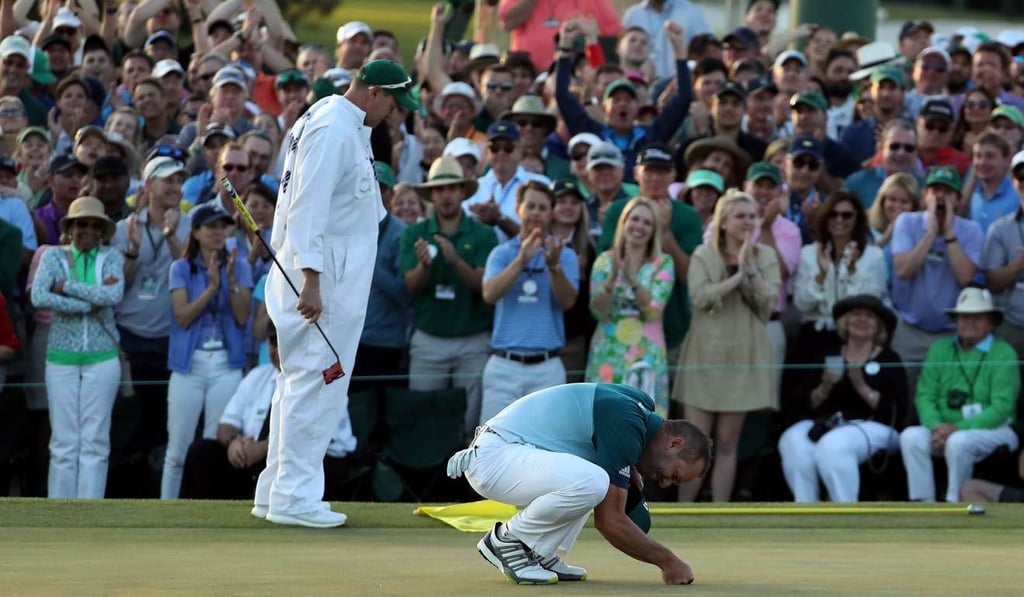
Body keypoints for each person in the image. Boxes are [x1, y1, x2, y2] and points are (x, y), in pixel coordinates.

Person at [253, 60, 419, 529]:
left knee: (297, 386)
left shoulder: (337, 119)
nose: (393, 112)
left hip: (327, 275)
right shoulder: (333, 128)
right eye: (391, 102)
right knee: (315, 385)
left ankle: (277, 490)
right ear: (371, 93)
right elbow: (308, 206)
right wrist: (311, 279)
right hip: (322, 280)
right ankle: (294, 497)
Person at [446, 382, 711, 585]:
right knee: (596, 480)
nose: (665, 484)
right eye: (673, 475)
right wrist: (670, 563)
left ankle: (538, 551)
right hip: (496, 459)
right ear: (674, 443)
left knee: (598, 476)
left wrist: (627, 464)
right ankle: (508, 541)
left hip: (512, 455)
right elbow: (610, 521)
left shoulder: (640, 407)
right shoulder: (628, 423)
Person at [675, 191, 780, 502]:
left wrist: (749, 268)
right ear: (723, 223)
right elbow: (701, 297)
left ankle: (718, 510)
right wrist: (736, 278)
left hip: (743, 356)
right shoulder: (703, 255)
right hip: (705, 355)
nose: (747, 222)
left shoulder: (766, 257)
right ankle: (685, 510)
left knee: (727, 443)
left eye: (752, 216)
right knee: (694, 443)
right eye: (740, 216)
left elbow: (767, 303)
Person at [30, 197, 125, 498]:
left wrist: (68, 287)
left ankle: (90, 511)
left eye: (94, 225)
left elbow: (114, 295)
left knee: (95, 439)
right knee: (63, 440)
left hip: (102, 357)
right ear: (70, 228)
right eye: (81, 223)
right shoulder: (53, 257)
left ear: (103, 231)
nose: (87, 230)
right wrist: (89, 302)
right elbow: (39, 296)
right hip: (61, 357)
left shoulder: (111, 257)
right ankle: (61, 513)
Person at [777, 295, 908, 502]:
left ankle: (844, 512)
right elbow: (804, 404)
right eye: (855, 315)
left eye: (869, 316)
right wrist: (825, 386)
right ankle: (806, 510)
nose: (861, 320)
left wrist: (861, 385)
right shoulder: (828, 354)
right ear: (844, 323)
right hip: (828, 422)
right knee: (792, 439)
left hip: (874, 425)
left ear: (879, 327)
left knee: (834, 445)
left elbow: (896, 410)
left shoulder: (889, 359)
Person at [162, 203, 253, 500]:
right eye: (211, 226)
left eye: (222, 226)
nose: (218, 232)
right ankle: (168, 513)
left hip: (226, 364)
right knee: (178, 447)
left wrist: (230, 283)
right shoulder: (181, 268)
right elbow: (183, 316)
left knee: (213, 443)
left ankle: (205, 511)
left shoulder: (239, 265)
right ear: (196, 232)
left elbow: (242, 318)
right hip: (190, 364)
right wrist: (212, 289)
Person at [899, 287, 1020, 502]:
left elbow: (1001, 408)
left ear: (991, 322)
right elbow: (924, 395)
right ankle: (923, 506)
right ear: (956, 320)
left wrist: (955, 428)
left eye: (977, 317)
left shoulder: (1005, 353)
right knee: (910, 436)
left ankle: (955, 505)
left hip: (996, 429)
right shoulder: (940, 349)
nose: (969, 322)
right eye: (964, 317)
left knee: (958, 441)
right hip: (943, 428)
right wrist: (936, 426)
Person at [479, 182, 579, 422]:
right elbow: (489, 294)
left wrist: (554, 266)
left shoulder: (564, 254)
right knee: (490, 444)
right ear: (518, 208)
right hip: (504, 364)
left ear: (551, 213)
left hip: (547, 366)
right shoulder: (502, 252)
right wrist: (521, 260)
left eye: (543, 208)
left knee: (545, 445)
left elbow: (567, 301)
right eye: (530, 206)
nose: (536, 212)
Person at [586, 197, 675, 416]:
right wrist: (613, 277)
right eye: (634, 219)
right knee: (605, 419)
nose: (639, 227)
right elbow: (598, 311)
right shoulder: (604, 261)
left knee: (647, 424)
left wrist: (632, 280)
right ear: (624, 223)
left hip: (647, 356)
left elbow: (653, 309)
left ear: (654, 229)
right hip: (608, 354)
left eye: (647, 222)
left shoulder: (663, 263)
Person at [180, 324, 281, 500]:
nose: (278, 350)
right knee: (200, 451)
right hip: (248, 458)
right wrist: (234, 442)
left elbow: (312, 437)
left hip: (287, 460)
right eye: (273, 342)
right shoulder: (257, 376)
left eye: (282, 343)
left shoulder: (315, 379)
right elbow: (227, 424)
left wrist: (265, 448)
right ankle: (191, 520)